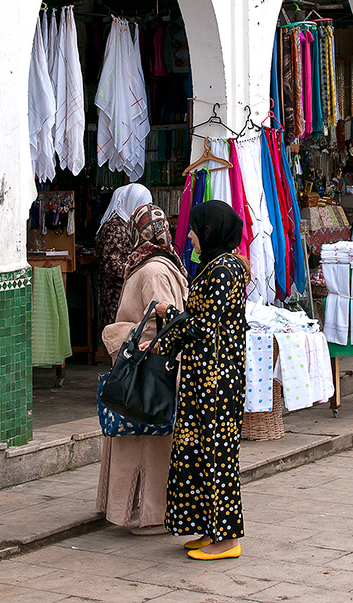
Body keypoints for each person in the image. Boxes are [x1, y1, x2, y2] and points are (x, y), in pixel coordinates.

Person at [148, 200, 248, 561]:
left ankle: (227, 539)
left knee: (218, 457)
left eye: (194, 229)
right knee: (200, 454)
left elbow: (202, 327)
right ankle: (210, 529)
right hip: (202, 378)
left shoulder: (224, 270)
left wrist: (167, 313)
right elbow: (199, 320)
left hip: (216, 383)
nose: (188, 236)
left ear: (211, 231)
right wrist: (159, 343)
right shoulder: (214, 266)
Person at [97, 203, 188, 535]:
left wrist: (118, 334)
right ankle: (139, 510)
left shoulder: (153, 271)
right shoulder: (160, 264)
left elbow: (162, 323)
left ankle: (153, 515)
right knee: (138, 442)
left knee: (145, 445)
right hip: (148, 370)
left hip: (146, 373)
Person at [95, 184, 153, 330]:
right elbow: (112, 266)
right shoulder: (114, 228)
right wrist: (141, 269)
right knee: (119, 338)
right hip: (117, 296)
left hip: (127, 295)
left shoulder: (127, 225)